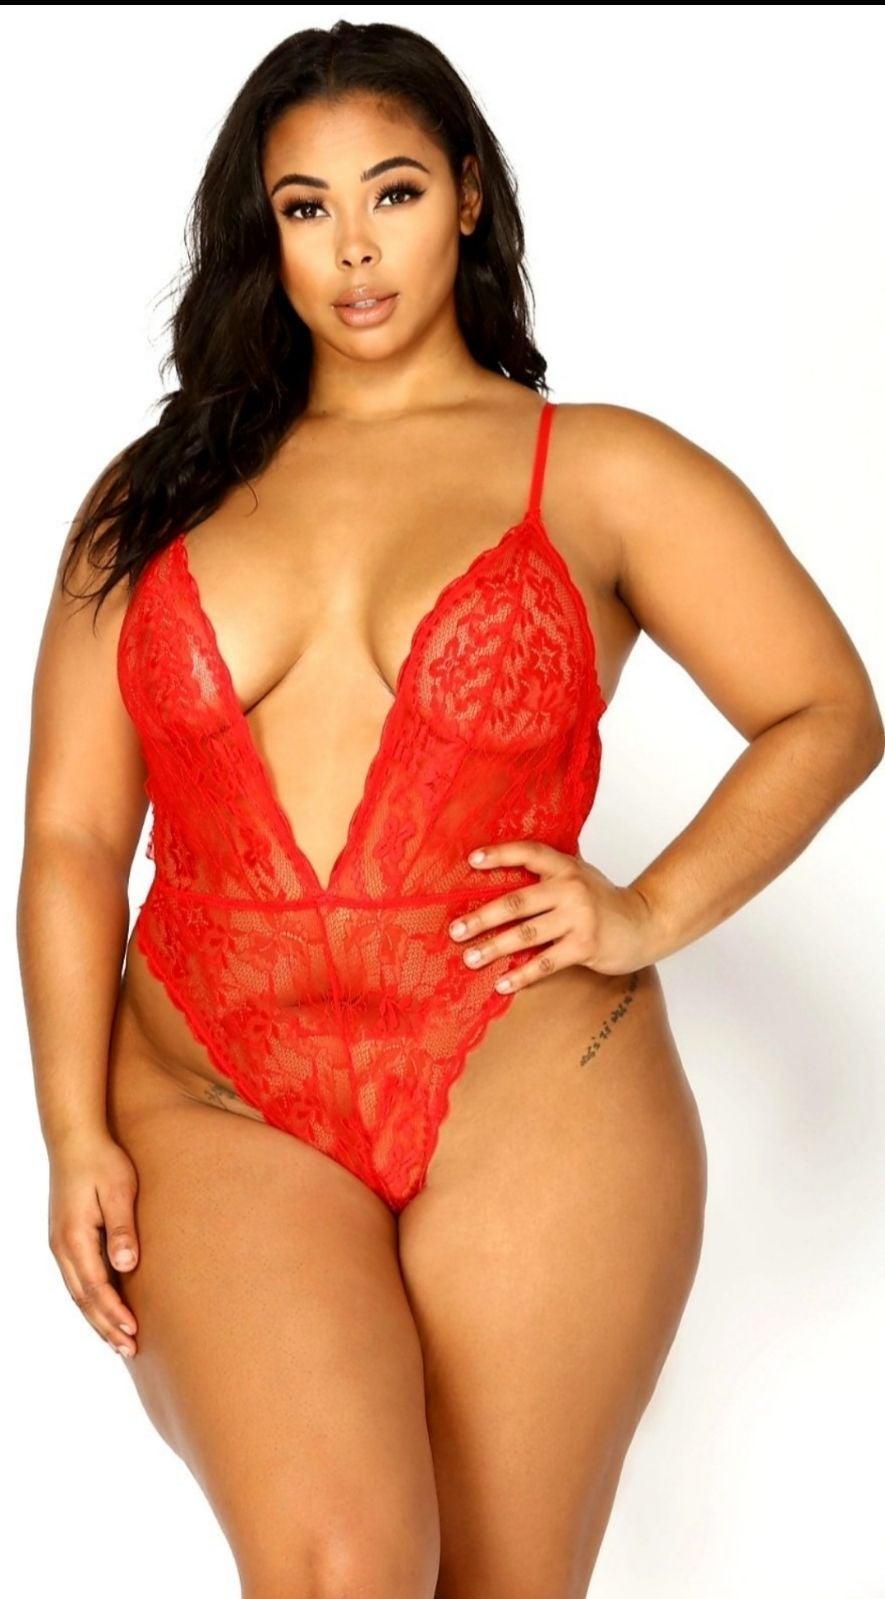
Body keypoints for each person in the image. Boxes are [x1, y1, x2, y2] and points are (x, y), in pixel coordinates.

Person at [18, 20, 883, 1599]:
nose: (354, 248)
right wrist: (72, 1130)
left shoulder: (599, 471)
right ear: (261, 229)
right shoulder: (154, 496)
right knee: (343, 1567)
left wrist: (646, 909)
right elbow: (73, 840)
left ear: (467, 197)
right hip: (212, 1085)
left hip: (525, 1071)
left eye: (395, 192)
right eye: (306, 207)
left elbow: (826, 710)